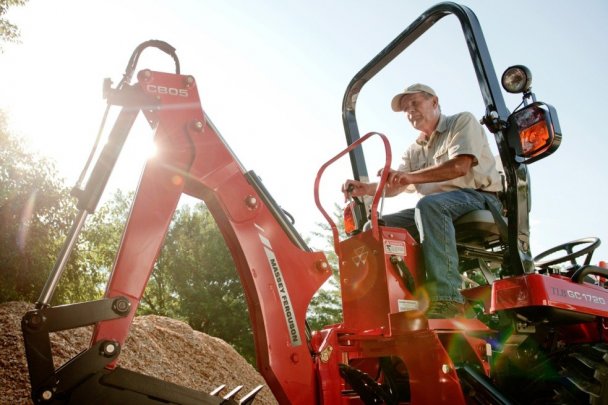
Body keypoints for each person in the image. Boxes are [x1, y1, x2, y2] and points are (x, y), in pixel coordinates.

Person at [342, 83, 503, 318]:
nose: (410, 111)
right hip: (436, 209)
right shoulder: (414, 150)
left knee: (429, 206)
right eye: (406, 108)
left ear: (434, 102)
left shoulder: (461, 122)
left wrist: (409, 176)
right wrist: (365, 188)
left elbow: (460, 166)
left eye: (415, 103)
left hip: (479, 199)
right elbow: (398, 185)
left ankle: (447, 298)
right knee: (376, 226)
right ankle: (405, 301)